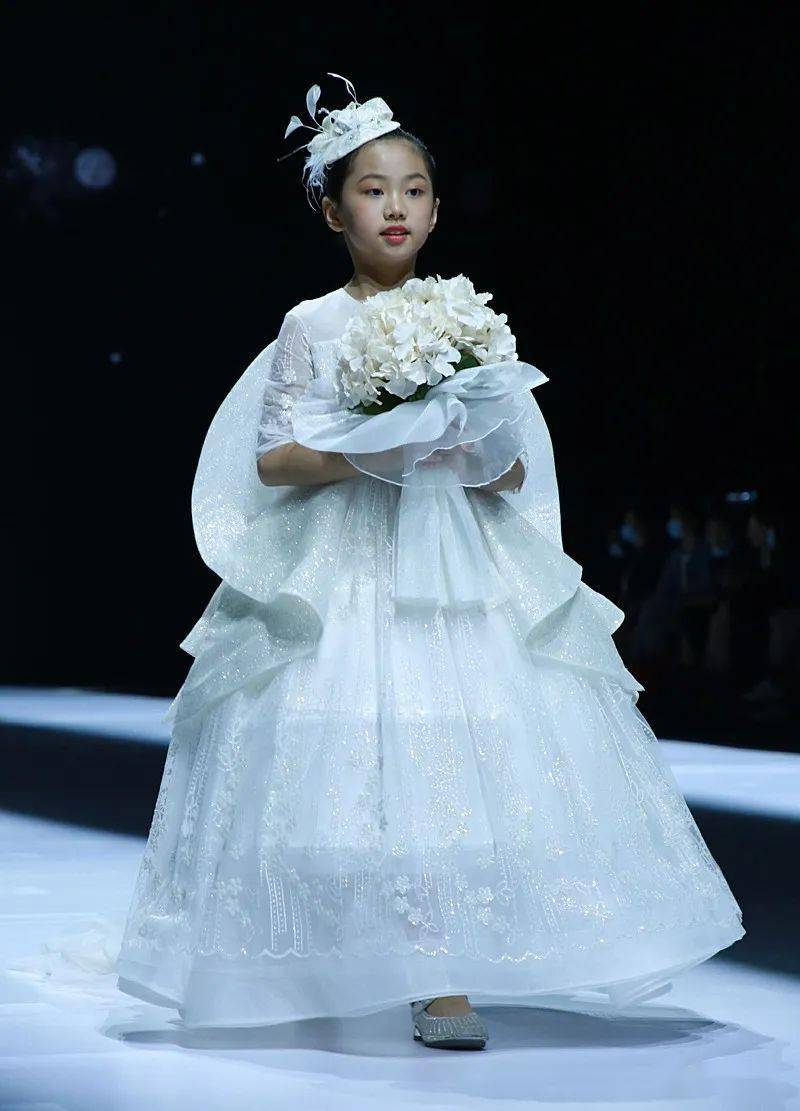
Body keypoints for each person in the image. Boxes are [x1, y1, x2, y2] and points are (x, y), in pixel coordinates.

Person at [114, 74, 744, 1050]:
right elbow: (274, 459)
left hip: (452, 564)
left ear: (437, 209)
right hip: (344, 559)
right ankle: (343, 952)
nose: (395, 207)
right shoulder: (311, 323)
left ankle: (440, 967)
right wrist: (378, 447)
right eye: (372, 190)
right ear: (334, 210)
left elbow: (512, 466)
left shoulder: (464, 318)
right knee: (342, 757)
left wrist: (458, 441)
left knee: (456, 745)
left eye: (412, 190)